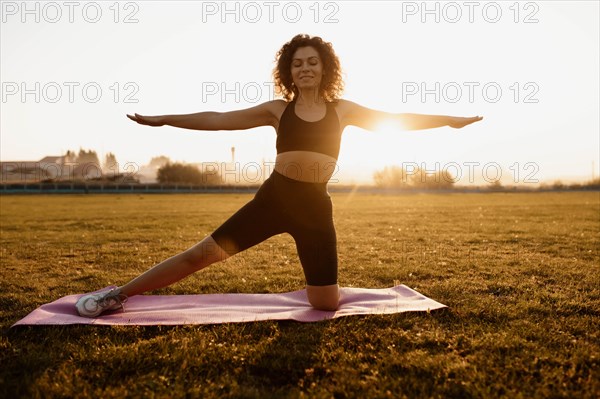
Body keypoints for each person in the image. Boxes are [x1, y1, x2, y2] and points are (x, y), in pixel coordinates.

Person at [75, 34, 483, 317]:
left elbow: (397, 119)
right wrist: (165, 120)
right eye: (298, 63)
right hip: (274, 201)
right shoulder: (276, 110)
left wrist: (449, 121)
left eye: (312, 62)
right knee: (200, 256)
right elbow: (219, 120)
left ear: (325, 69)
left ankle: (326, 290)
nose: (305, 68)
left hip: (316, 209)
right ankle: (116, 294)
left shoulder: (343, 110)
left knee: (324, 304)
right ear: (290, 71)